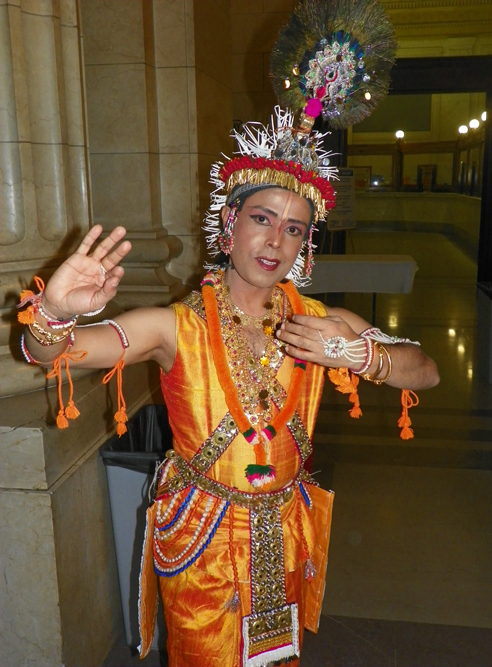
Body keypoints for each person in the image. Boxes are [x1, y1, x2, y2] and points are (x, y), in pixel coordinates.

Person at [19, 108, 439, 667]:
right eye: (262, 219)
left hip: (285, 532)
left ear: (307, 243)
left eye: (294, 229)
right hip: (203, 539)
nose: (275, 242)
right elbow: (52, 352)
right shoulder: (175, 327)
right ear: (229, 224)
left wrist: (358, 351)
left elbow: (425, 370)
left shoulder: (321, 321)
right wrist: (53, 311)